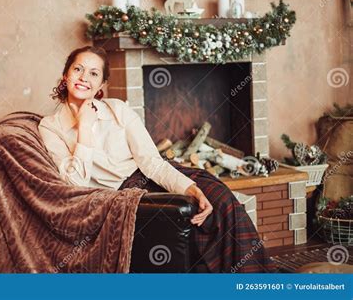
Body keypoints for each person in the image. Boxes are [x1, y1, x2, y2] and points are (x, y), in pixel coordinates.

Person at [38, 45, 275, 273]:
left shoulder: (117, 109)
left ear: (102, 84)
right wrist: (85, 129)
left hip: (153, 173)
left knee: (220, 198)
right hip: (123, 193)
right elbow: (74, 186)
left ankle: (254, 280)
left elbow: (151, 161)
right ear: (65, 74)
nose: (84, 78)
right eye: (78, 69)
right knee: (189, 215)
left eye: (93, 73)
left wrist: (190, 188)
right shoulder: (50, 127)